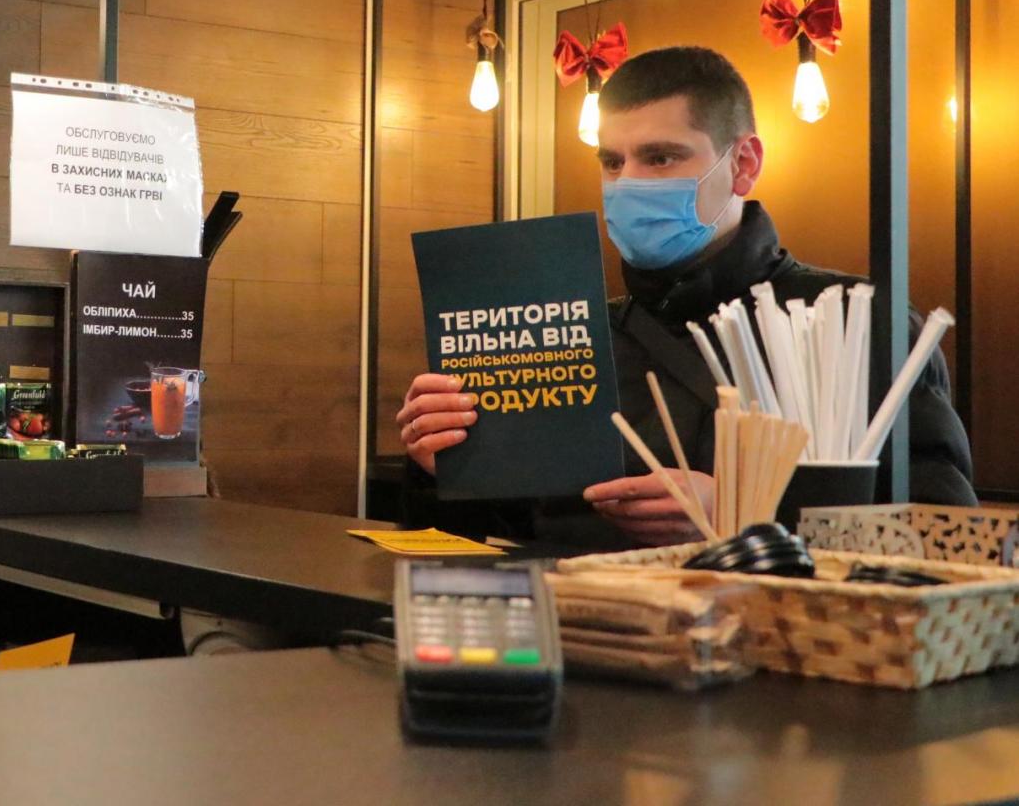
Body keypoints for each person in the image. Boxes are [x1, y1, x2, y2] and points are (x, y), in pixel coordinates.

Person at [397, 46, 976, 548]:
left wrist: (747, 517)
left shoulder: (855, 324)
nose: (627, 182)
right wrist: (447, 465)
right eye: (612, 162)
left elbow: (943, 538)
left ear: (743, 164)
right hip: (585, 630)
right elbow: (509, 538)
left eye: (660, 157)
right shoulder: (573, 333)